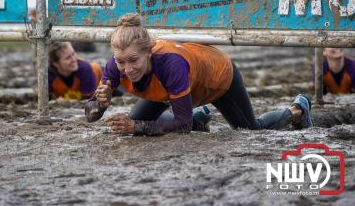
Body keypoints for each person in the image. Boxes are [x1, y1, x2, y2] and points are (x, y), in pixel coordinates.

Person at [85, 13, 314, 136]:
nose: (127, 69)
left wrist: (136, 127)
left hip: (218, 76)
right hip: (178, 83)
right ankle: (198, 118)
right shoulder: (116, 64)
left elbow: (182, 126)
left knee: (250, 130)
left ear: (149, 51)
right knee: (139, 124)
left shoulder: (170, 64)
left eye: (134, 61)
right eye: (121, 62)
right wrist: (100, 105)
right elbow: (90, 114)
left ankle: (299, 109)